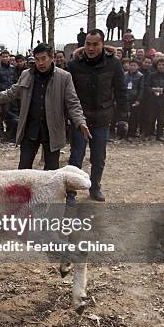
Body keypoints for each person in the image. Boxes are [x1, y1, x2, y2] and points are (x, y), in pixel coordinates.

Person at [0, 43, 89, 170]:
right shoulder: (26, 75)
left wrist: (80, 122)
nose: (40, 63)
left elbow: (73, 102)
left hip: (53, 130)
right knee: (24, 168)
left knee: (51, 170)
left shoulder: (64, 77)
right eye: (37, 59)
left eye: (43, 58)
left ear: (51, 58)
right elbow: (10, 93)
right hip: (30, 129)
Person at [67, 29, 127, 203]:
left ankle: (95, 187)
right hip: (80, 120)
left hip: (102, 119)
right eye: (87, 44)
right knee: (76, 157)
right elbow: (67, 94)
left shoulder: (113, 64)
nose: (91, 48)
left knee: (98, 158)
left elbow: (121, 91)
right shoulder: (74, 65)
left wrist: (123, 116)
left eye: (95, 44)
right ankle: (71, 192)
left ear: (103, 44)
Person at [144, 58, 164, 141]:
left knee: (161, 118)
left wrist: (163, 89)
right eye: (159, 65)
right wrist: (153, 90)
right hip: (152, 99)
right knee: (150, 117)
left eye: (163, 65)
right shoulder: (151, 75)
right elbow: (146, 86)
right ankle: (148, 134)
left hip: (163, 99)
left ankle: (159, 135)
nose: (161, 66)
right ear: (156, 66)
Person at [123, 60, 145, 138]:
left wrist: (138, 99)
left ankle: (132, 133)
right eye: (131, 65)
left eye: (134, 65)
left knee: (134, 117)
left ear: (138, 67)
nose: (132, 67)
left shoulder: (140, 76)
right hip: (125, 98)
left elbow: (141, 89)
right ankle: (122, 133)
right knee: (124, 116)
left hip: (134, 98)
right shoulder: (125, 74)